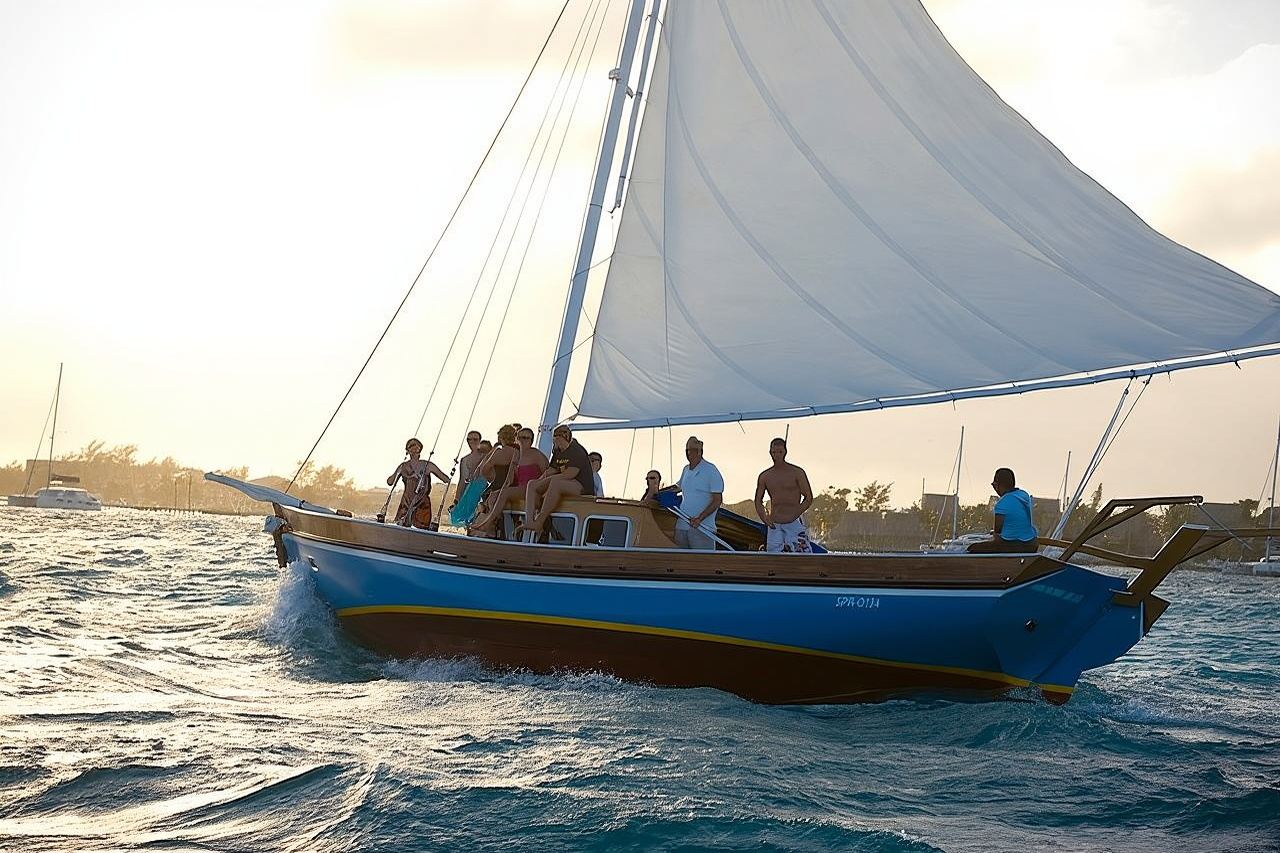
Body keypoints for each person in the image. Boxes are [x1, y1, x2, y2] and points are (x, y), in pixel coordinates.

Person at [523, 425, 595, 540]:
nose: (557, 443)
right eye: (555, 440)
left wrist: (548, 481)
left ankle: (540, 521)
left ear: (565, 438)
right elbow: (552, 469)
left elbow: (570, 474)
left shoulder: (577, 451)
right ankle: (529, 520)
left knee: (556, 484)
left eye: (558, 440)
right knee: (532, 484)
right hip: (563, 479)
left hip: (580, 485)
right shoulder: (557, 450)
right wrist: (540, 480)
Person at [472, 426, 546, 537]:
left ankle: (488, 523)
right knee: (494, 496)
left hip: (533, 488)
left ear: (532, 440)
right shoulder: (516, 454)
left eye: (526, 438)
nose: (522, 440)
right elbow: (510, 478)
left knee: (505, 493)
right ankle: (493, 528)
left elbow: (547, 473)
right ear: (516, 438)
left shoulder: (537, 455)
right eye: (520, 437)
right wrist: (499, 490)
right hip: (520, 488)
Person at [661, 436, 723, 550]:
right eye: (687, 450)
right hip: (682, 525)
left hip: (702, 528)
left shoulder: (711, 470)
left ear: (699, 451)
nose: (689, 453)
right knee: (681, 562)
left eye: (692, 450)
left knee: (702, 563)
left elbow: (717, 500)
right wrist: (658, 492)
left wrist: (700, 518)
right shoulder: (685, 469)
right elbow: (677, 487)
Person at [754, 437, 814, 553]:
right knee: (773, 558)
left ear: (785, 452)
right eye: (774, 452)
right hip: (774, 523)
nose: (776, 455)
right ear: (770, 453)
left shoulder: (797, 472)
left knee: (804, 555)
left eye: (779, 452)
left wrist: (795, 513)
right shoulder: (765, 476)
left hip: (794, 521)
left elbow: (808, 497)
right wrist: (764, 518)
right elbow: (758, 500)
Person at [967, 468, 1039, 553]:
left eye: (994, 485)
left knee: (972, 548)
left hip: (1015, 546)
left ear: (998, 485)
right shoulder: (1024, 495)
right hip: (1032, 544)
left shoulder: (1002, 503)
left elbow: (997, 532)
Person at [387, 438, 450, 529]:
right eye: (411, 447)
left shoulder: (427, 465)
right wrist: (397, 472)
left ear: (420, 449)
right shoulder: (403, 466)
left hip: (422, 502)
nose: (414, 449)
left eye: (416, 446)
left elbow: (445, 479)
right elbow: (390, 482)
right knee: (403, 527)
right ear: (407, 450)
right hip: (406, 502)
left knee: (422, 527)